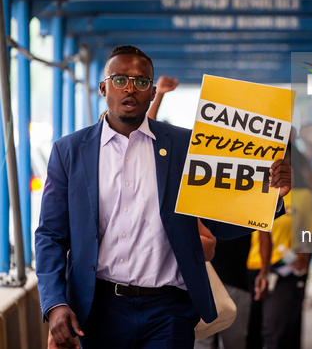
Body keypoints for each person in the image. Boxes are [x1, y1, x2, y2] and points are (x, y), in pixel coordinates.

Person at [35, 45, 291, 349]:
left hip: (169, 312)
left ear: (153, 92)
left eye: (141, 82)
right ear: (104, 87)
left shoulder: (186, 147)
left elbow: (219, 224)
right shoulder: (69, 151)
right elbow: (50, 235)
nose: (130, 88)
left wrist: (270, 198)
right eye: (120, 79)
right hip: (98, 309)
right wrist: (54, 303)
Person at [246, 144, 312, 349]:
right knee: (252, 335)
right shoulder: (252, 190)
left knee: (274, 335)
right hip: (252, 267)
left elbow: (310, 233)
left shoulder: (303, 196)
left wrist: (303, 256)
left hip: (283, 273)